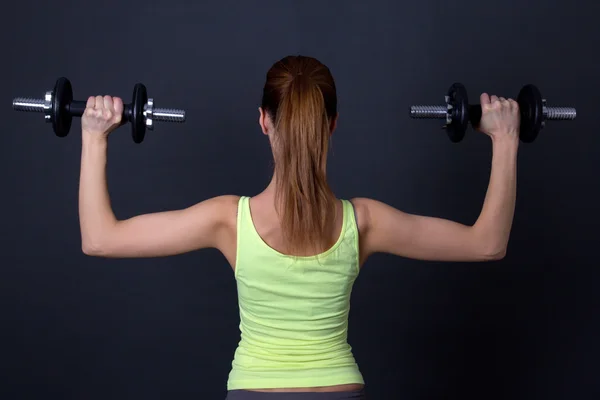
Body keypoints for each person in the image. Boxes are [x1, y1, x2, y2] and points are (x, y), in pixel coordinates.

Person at [78, 55, 520, 399]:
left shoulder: (226, 220)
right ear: (332, 125)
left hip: (254, 391)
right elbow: (487, 244)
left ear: (264, 120)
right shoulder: (363, 222)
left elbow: (100, 240)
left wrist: (94, 137)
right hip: (340, 390)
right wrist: (505, 138)